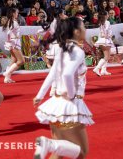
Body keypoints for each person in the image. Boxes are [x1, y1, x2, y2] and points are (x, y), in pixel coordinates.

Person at [33, 17, 94, 159]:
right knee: (81, 152)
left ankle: (50, 145)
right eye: (83, 27)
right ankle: (48, 144)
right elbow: (67, 74)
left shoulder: (61, 50)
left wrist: (40, 96)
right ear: (77, 32)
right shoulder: (78, 51)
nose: (86, 29)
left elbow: (52, 74)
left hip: (55, 104)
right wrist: (72, 94)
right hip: (70, 106)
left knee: (59, 154)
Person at [2, 8, 25, 83]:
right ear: (13, 14)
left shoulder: (10, 22)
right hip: (14, 43)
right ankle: (7, 73)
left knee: (14, 60)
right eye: (16, 13)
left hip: (12, 43)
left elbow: (8, 33)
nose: (17, 14)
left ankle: (7, 78)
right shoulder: (13, 22)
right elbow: (8, 33)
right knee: (21, 61)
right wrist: (11, 40)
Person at [93, 11, 114, 76]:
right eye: (107, 14)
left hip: (103, 40)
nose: (108, 15)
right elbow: (106, 30)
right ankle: (97, 68)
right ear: (105, 15)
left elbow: (102, 32)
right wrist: (107, 36)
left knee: (107, 56)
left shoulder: (101, 22)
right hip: (105, 40)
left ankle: (103, 70)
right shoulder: (107, 22)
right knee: (107, 56)